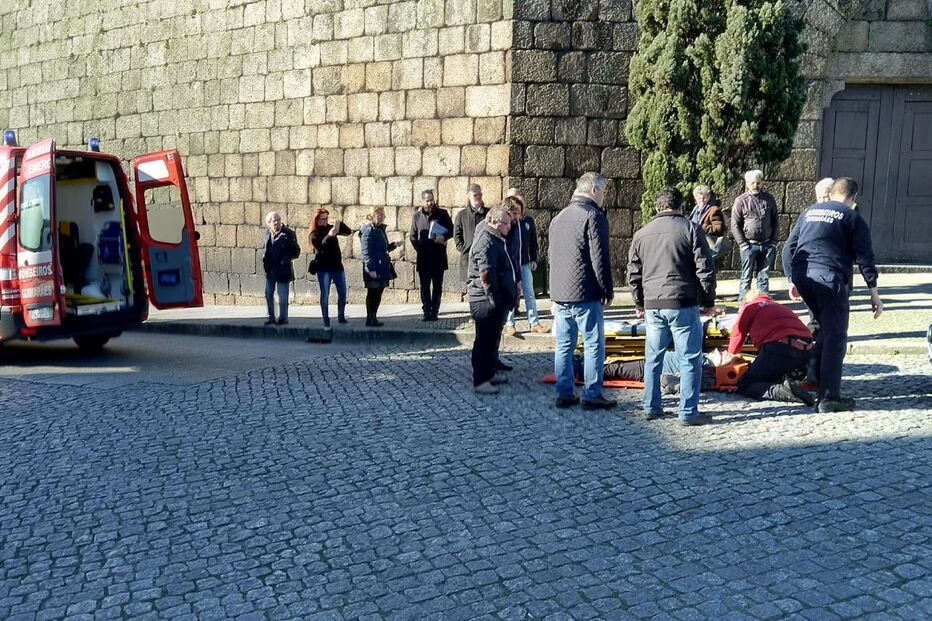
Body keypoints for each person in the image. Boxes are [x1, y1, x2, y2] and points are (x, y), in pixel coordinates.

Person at [781, 177, 883, 413]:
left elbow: (788, 248)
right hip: (829, 278)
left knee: (822, 328)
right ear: (853, 197)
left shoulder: (809, 212)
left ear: (833, 192)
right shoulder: (851, 216)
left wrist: (791, 279)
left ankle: (815, 378)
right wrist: (874, 292)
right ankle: (829, 398)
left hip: (804, 276)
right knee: (836, 336)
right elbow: (865, 257)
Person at [628, 186, 716, 425]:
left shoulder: (641, 233)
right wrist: (708, 301)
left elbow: (633, 273)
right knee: (689, 357)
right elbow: (705, 269)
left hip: (653, 304)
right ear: (681, 206)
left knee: (653, 357)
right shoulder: (691, 229)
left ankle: (651, 406)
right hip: (682, 301)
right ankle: (688, 412)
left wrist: (639, 302)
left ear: (657, 206)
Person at [549, 172, 616, 410]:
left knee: (564, 345)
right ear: (593, 190)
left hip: (561, 293)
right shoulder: (594, 216)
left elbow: (552, 257)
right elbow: (600, 258)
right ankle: (592, 393)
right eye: (604, 192)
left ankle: (563, 392)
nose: (604, 197)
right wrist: (607, 289)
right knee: (593, 344)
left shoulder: (558, 217)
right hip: (586, 293)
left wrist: (554, 291)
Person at [726, 290, 816, 406]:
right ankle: (793, 383)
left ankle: (780, 391)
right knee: (773, 373)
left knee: (745, 383)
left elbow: (738, 333)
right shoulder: (780, 307)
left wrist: (729, 358)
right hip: (807, 351)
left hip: (780, 349)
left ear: (746, 302)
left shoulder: (750, 306)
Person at [467, 204, 516, 394]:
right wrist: (495, 300)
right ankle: (480, 380)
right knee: (483, 341)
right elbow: (486, 274)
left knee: (492, 339)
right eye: (506, 224)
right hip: (484, 300)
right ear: (494, 222)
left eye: (509, 223)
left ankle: (489, 373)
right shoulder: (486, 241)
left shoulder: (495, 238)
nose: (509, 227)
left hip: (493, 298)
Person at [731, 169, 779, 301]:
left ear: (762, 182)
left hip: (767, 244)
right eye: (752, 183)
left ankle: (763, 305)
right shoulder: (741, 201)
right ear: (747, 183)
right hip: (749, 245)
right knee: (746, 277)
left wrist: (773, 242)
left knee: (763, 277)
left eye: (758, 183)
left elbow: (775, 221)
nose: (755, 185)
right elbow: (735, 225)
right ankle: (743, 306)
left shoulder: (769, 199)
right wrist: (743, 244)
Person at [504, 194, 547, 335]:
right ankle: (509, 323)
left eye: (519, 211)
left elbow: (533, 241)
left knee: (530, 293)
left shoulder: (528, 221)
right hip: (510, 264)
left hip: (524, 263)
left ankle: (534, 322)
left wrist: (534, 258)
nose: (517, 214)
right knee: (511, 293)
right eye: (515, 211)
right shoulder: (507, 223)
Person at [409, 189, 454, 321]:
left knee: (437, 286)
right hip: (423, 257)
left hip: (438, 256)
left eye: (431, 200)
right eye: (427, 200)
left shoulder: (442, 214)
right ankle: (426, 311)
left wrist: (443, 237)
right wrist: (419, 248)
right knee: (424, 286)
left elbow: (452, 230)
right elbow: (412, 236)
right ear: (423, 201)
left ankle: (434, 311)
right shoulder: (417, 217)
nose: (430, 203)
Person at [309, 206, 352, 327]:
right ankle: (326, 320)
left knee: (342, 292)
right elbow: (321, 246)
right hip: (323, 269)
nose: (325, 221)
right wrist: (329, 236)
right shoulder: (314, 234)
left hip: (337, 266)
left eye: (326, 218)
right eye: (322, 219)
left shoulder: (330, 227)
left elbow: (348, 232)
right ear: (317, 220)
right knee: (325, 295)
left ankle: (341, 317)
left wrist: (338, 224)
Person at [359, 206, 402, 327]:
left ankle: (373, 317)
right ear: (372, 216)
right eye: (379, 214)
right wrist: (371, 269)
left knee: (378, 293)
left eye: (382, 215)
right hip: (374, 267)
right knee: (373, 293)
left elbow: (384, 248)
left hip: (382, 266)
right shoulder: (368, 230)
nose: (381, 217)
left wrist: (394, 245)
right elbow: (366, 252)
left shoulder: (380, 229)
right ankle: (370, 318)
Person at [261, 211, 300, 325]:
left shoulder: (288, 233)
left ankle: (283, 318)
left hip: (283, 270)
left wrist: (285, 259)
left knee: (282, 296)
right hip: (270, 270)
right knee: (268, 293)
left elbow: (296, 251)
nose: (276, 222)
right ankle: (271, 317)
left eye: (278, 220)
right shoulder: (266, 233)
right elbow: (265, 250)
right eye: (274, 221)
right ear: (269, 223)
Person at [452, 183, 488, 289]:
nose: (478, 197)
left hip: (485, 256)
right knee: (471, 288)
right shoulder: (462, 215)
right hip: (468, 257)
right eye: (475, 195)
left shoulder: (488, 213)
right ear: (469, 196)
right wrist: (462, 248)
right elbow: (457, 234)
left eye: (479, 194)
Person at [689, 185, 729, 260]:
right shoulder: (695, 209)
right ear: (695, 198)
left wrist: (702, 227)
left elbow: (719, 228)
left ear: (708, 197)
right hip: (695, 244)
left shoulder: (713, 210)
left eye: (704, 198)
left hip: (708, 246)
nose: (701, 200)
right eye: (699, 198)